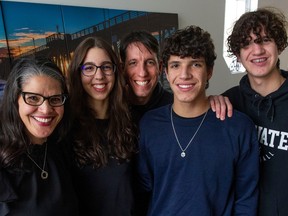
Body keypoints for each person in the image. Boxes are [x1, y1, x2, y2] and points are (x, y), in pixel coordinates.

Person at [137, 25, 259, 215]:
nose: (184, 75)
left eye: (195, 64)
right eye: (176, 65)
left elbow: (246, 199)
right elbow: (144, 191)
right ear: (166, 73)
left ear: (209, 71)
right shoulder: (149, 125)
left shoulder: (238, 127)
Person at [221, 7, 288, 216]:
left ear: (279, 45)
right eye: (247, 43)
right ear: (238, 55)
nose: (257, 50)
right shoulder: (227, 102)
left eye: (265, 39)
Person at [67, 36, 138, 216]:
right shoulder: (66, 128)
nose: (99, 76)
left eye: (106, 67)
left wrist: (212, 100)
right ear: (78, 73)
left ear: (115, 72)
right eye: (89, 68)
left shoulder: (130, 119)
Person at [0, 57, 79, 215]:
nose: (45, 109)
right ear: (15, 100)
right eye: (33, 98)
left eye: (55, 99)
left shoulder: (62, 146)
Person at [119, 30, 173, 124]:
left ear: (160, 67)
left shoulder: (175, 106)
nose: (142, 73)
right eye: (133, 63)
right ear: (122, 69)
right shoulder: (114, 108)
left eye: (149, 62)